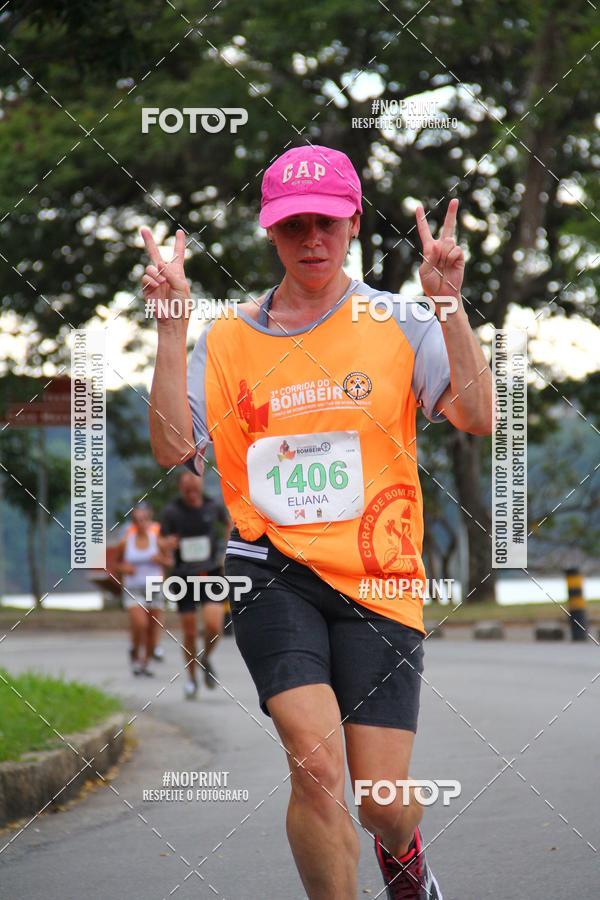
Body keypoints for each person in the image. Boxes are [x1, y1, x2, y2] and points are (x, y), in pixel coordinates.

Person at [142, 145, 492, 899]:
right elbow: (174, 446)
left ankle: (408, 862)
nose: (312, 241)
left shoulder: (400, 320)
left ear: (354, 223)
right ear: (270, 232)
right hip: (272, 570)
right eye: (293, 225)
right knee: (315, 763)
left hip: (380, 577)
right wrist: (171, 326)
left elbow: (478, 412)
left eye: (327, 223)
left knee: (382, 803)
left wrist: (450, 306)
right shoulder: (227, 341)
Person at [159, 470, 231, 699]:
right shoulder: (172, 511)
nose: (191, 492)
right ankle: (191, 679)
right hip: (184, 576)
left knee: (214, 626)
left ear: (200, 486)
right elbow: (161, 539)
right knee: (189, 632)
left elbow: (230, 523)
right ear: (181, 488)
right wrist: (167, 544)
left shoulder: (212, 506)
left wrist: (228, 550)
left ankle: (206, 657)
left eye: (195, 487)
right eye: (186, 488)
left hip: (210, 572)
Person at [115, 502, 169, 676]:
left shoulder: (157, 540)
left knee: (152, 627)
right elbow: (116, 564)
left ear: (149, 519)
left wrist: (160, 560)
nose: (141, 522)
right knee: (140, 624)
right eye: (137, 519)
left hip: (154, 587)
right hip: (133, 588)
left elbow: (170, 562)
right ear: (133, 521)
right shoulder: (125, 542)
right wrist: (126, 568)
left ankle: (144, 662)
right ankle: (136, 652)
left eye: (144, 519)